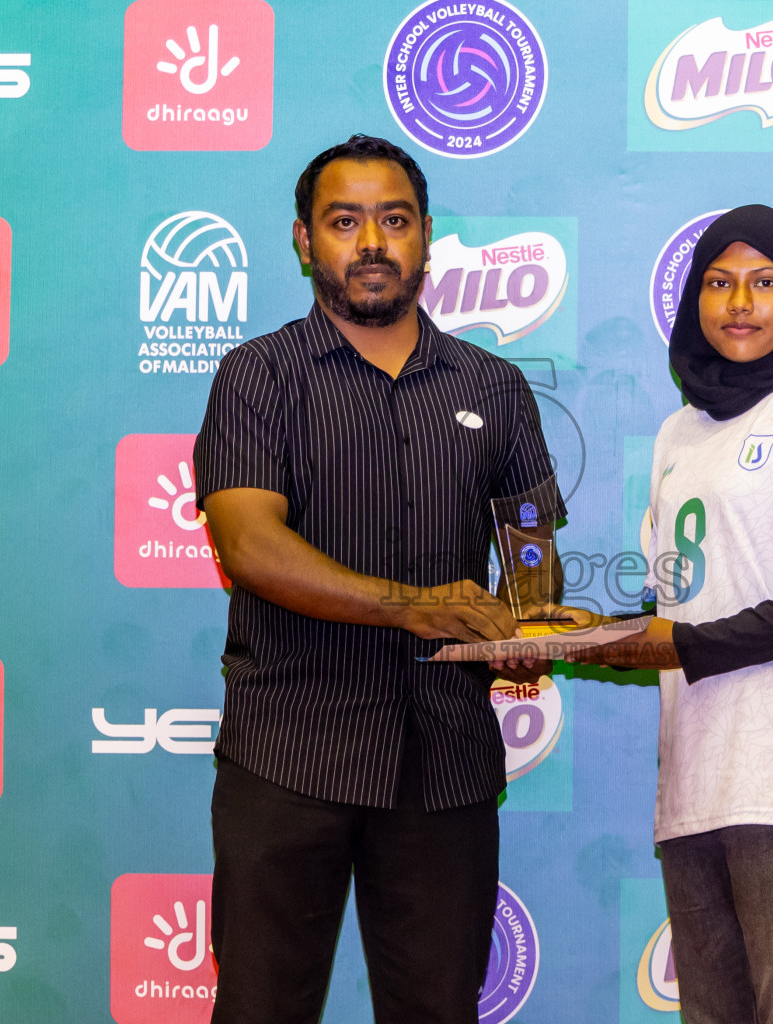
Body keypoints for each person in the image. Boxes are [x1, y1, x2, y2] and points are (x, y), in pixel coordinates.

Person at [193, 134, 562, 1024]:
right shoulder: (258, 376)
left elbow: (530, 564)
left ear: (427, 236)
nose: (371, 242)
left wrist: (538, 626)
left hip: (446, 766)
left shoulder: (497, 386)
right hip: (288, 756)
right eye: (344, 220)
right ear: (302, 239)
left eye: (392, 220)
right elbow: (250, 546)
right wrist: (414, 608)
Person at [575, 204, 773, 1024]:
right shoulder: (678, 431)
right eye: (719, 283)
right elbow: (674, 607)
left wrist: (691, 645)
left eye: (764, 282)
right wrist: (568, 638)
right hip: (693, 778)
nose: (739, 302)